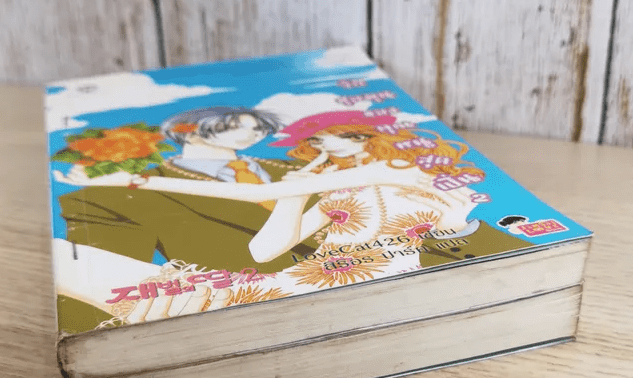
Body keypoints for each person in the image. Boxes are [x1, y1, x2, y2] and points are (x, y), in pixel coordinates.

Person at [54, 111, 531, 326]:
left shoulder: (395, 171)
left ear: (364, 137)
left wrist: (137, 181)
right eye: (316, 143)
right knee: (79, 265)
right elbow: (263, 252)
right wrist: (298, 192)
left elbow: (252, 192)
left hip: (384, 287)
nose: (322, 149)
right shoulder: (334, 190)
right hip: (306, 286)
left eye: (331, 139)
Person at [54, 106, 319, 332]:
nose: (253, 134)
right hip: (239, 314)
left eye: (258, 128)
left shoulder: (304, 168)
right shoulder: (112, 196)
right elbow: (100, 288)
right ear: (188, 130)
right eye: (234, 126)